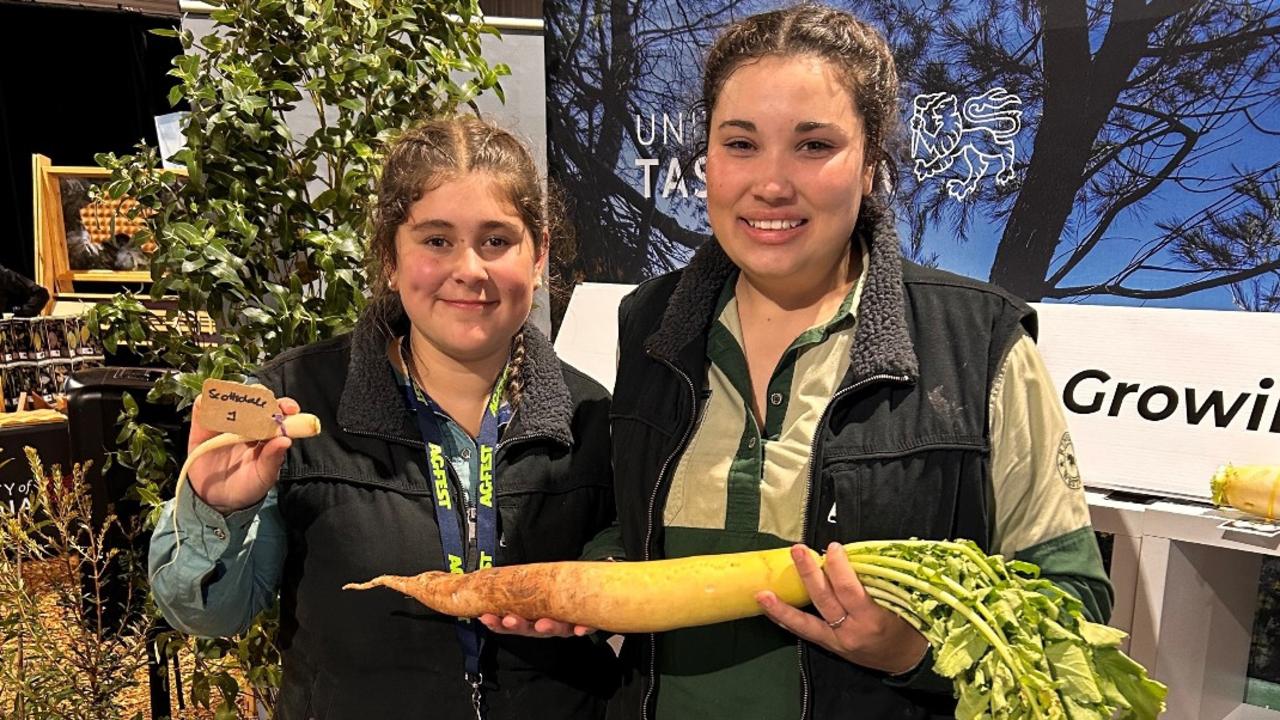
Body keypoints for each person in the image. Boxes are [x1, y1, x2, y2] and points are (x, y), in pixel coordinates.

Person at [489, 5, 1113, 718]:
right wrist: (595, 583)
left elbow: (1071, 605)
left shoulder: (978, 341)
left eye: (814, 145)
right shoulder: (652, 324)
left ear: (873, 162)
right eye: (741, 144)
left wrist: (913, 655)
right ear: (708, 160)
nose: (772, 184)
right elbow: (636, 529)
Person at [149, 116, 619, 719]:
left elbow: (625, 560)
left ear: (538, 256)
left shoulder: (594, 419)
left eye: (497, 240)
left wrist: (603, 573)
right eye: (436, 240)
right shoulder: (293, 402)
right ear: (391, 258)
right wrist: (218, 510)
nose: (470, 269)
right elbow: (208, 615)